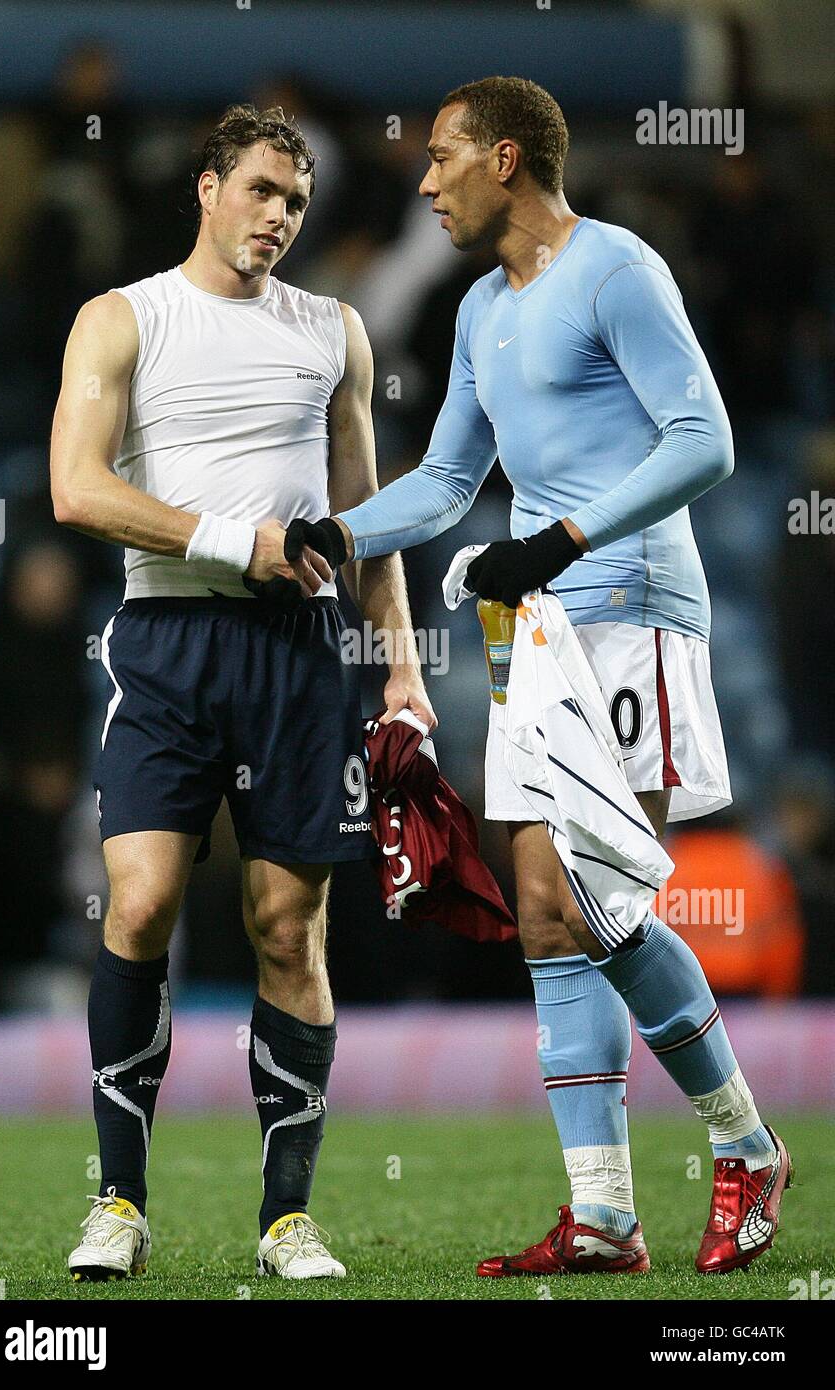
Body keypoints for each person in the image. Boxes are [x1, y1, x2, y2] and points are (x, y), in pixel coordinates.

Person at [288, 77, 791, 1276]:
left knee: (600, 904)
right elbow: (450, 482)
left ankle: (744, 1143)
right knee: (546, 917)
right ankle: (606, 1215)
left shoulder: (615, 268)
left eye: (443, 158)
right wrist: (341, 531)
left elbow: (706, 438)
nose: (423, 181)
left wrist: (562, 540)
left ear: (505, 158)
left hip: (632, 613)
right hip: (540, 630)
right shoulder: (477, 312)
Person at [50, 103, 434, 1282]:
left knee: (287, 927)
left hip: (299, 650)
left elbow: (365, 518)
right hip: (165, 640)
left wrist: (404, 669)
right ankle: (118, 1200)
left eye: (298, 203)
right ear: (210, 186)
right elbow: (75, 488)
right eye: (263, 191)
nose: (280, 217)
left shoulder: (333, 331)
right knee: (139, 904)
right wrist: (237, 541)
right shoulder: (122, 318)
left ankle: (285, 1218)